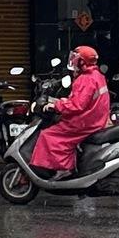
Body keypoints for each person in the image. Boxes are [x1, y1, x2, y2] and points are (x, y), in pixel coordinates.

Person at [31, 45, 109, 178]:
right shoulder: (97, 75)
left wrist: (56, 106)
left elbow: (77, 105)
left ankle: (64, 169)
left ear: (82, 61)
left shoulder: (85, 79)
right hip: (95, 119)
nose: (72, 61)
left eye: (75, 58)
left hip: (84, 122)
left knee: (49, 135)